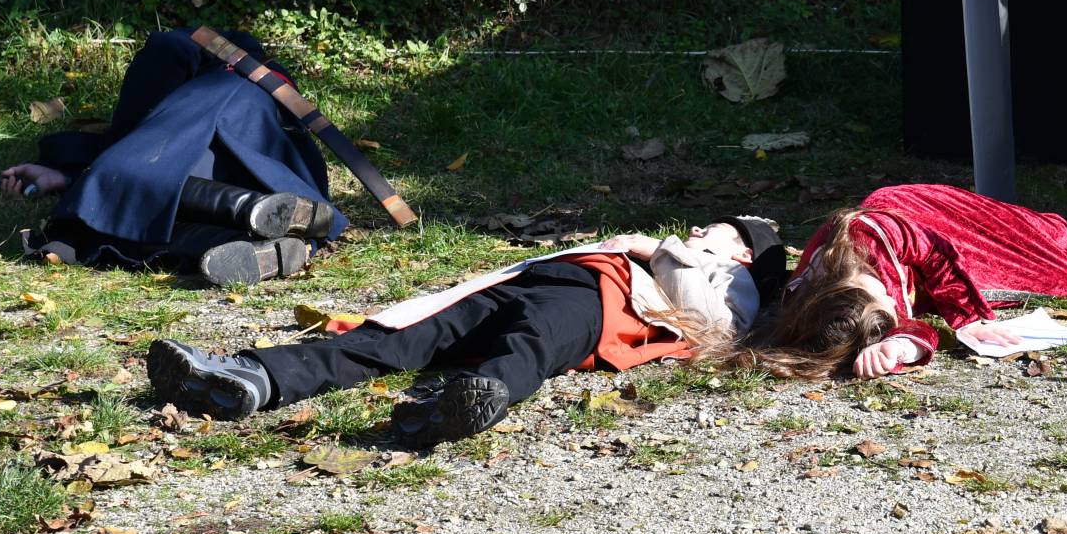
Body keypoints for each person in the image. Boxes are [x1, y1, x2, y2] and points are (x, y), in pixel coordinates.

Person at [147, 217, 788, 446]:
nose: (699, 231)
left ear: (742, 253)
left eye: (717, 231)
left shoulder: (737, 280)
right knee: (398, 339)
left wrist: (657, 248)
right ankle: (252, 376)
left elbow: (714, 325)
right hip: (528, 283)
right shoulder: (702, 253)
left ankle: (471, 400)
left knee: (531, 344)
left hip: (603, 300)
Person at [0, 28, 348, 284]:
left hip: (225, 150)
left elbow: (127, 139)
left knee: (105, 213)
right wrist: (68, 177)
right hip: (265, 169)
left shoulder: (185, 54)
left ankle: (247, 228)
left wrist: (77, 177)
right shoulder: (262, 81)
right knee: (118, 198)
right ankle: (262, 235)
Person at [734, 184, 1067, 379]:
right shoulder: (814, 308)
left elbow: (938, 253)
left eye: (882, 295)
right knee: (1051, 279)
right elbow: (910, 327)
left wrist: (968, 318)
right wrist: (897, 350)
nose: (890, 300)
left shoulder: (868, 235)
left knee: (1054, 266)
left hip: (929, 221)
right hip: (922, 280)